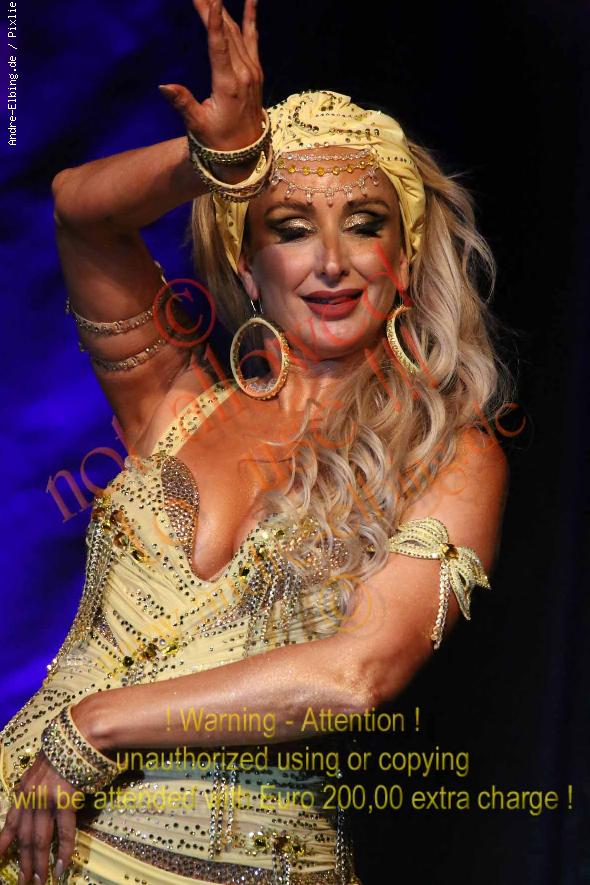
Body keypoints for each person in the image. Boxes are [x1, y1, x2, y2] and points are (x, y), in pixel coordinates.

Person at [0, 0, 512, 883]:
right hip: (28, 839)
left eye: (364, 222)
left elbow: (356, 676)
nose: (331, 261)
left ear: (403, 257)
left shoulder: (449, 453)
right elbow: (79, 211)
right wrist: (221, 162)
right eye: (291, 227)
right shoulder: (173, 399)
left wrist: (95, 725)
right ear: (245, 260)